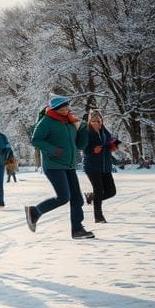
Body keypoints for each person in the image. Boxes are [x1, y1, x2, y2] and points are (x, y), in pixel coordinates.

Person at [25, 94, 94, 239]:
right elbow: (36, 140)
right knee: (63, 197)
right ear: (54, 109)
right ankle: (35, 211)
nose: (64, 111)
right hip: (53, 164)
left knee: (77, 199)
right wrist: (53, 150)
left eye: (66, 108)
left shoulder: (70, 121)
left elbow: (80, 145)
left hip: (69, 165)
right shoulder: (46, 121)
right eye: (61, 109)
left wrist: (83, 130)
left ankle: (77, 230)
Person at [83, 110, 120, 224]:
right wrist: (92, 150)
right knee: (98, 190)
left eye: (98, 121)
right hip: (92, 166)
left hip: (105, 165)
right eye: (93, 121)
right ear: (90, 121)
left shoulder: (105, 131)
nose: (96, 123)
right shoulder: (87, 132)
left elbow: (109, 143)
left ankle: (91, 197)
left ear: (101, 120)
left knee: (111, 191)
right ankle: (98, 217)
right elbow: (83, 148)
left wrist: (113, 146)